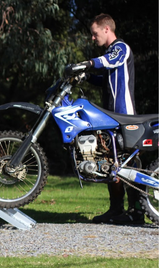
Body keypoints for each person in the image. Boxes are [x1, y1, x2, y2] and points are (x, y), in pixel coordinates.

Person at [73, 13, 145, 224]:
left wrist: (86, 64)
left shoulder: (120, 48)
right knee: (109, 160)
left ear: (107, 29)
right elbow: (104, 78)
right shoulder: (111, 54)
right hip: (110, 117)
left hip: (124, 116)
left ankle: (137, 211)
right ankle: (116, 210)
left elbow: (108, 61)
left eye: (95, 34)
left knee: (131, 163)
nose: (93, 39)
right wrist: (85, 77)